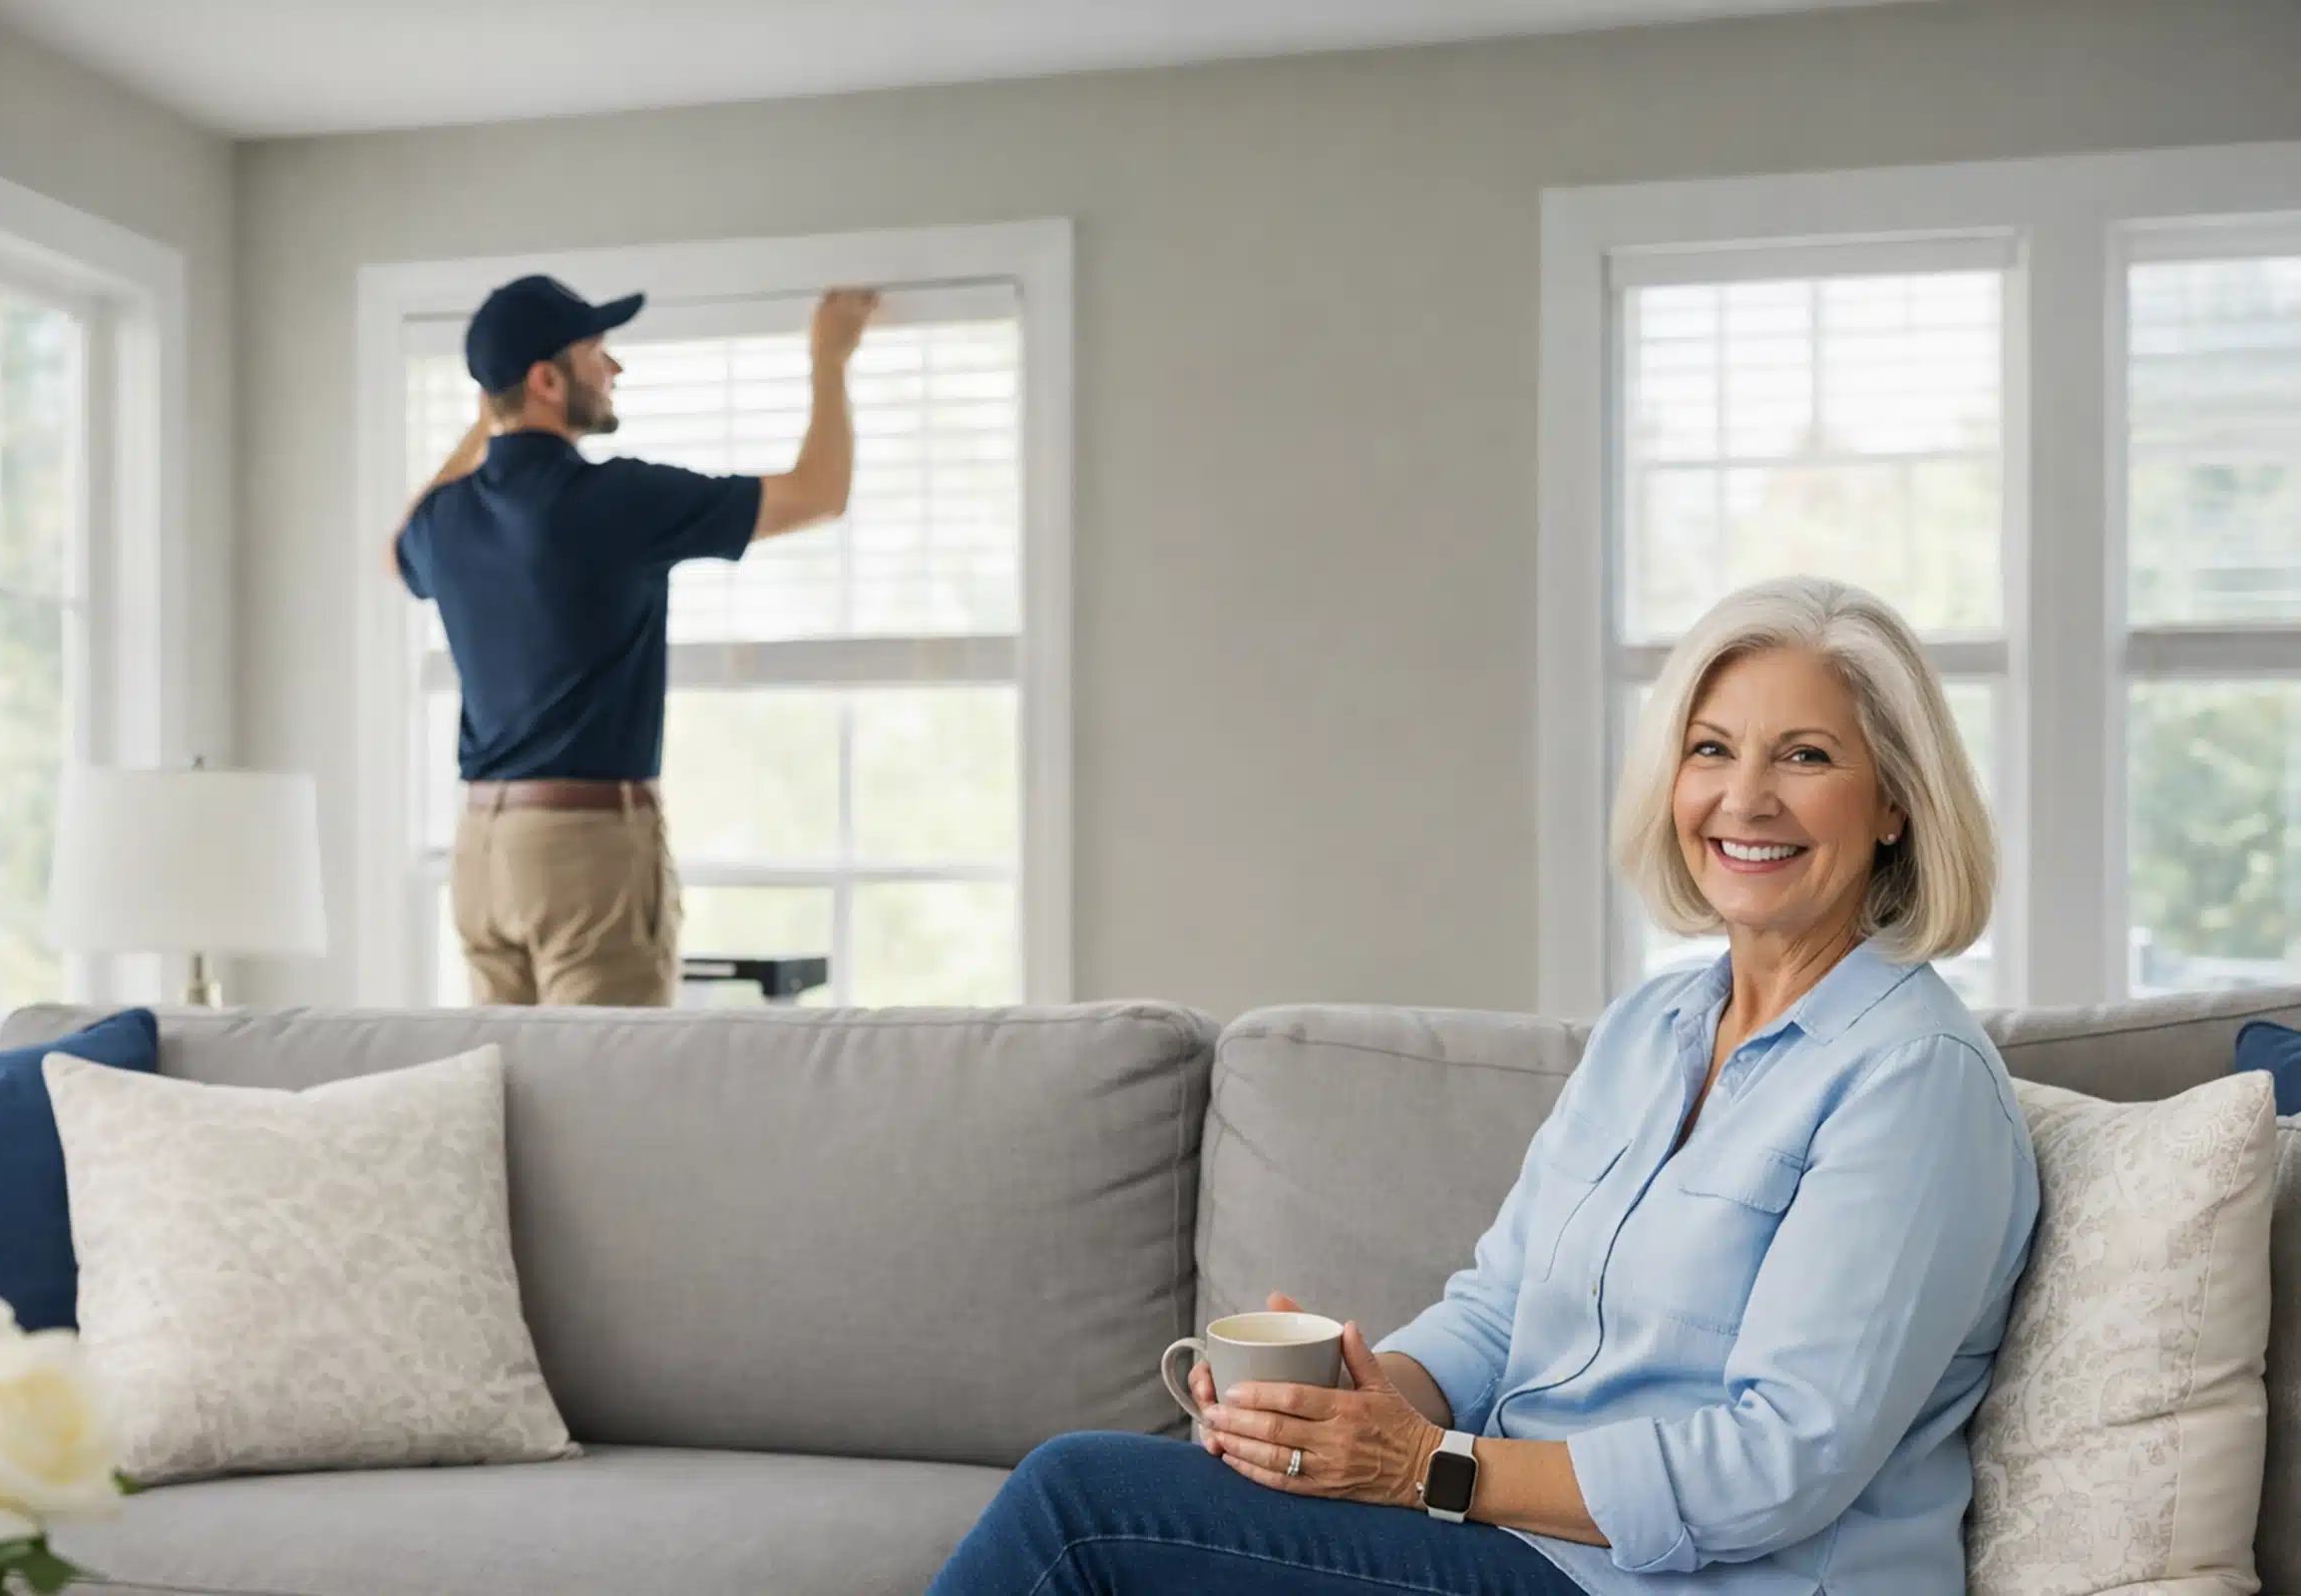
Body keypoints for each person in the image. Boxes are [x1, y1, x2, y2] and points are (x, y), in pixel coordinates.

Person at [931, 575, 2041, 1595]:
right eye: (1711, 750)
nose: (1744, 799)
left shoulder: (1912, 1081)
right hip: (1514, 1546)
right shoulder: (1652, 1028)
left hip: (1678, 1584)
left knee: (1082, 1505)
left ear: (1895, 800)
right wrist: (1359, 1410)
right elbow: (1501, 1307)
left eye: (1804, 757)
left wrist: (1430, 1470)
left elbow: (1776, 1462)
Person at [389, 275, 878, 1006]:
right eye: (597, 353)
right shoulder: (613, 501)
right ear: (547, 380)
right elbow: (818, 494)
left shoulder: (446, 521)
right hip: (585, 853)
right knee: (611, 1094)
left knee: (509, 1096)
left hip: (482, 857)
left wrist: (494, 412)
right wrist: (830, 357)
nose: (615, 371)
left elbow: (401, 544)